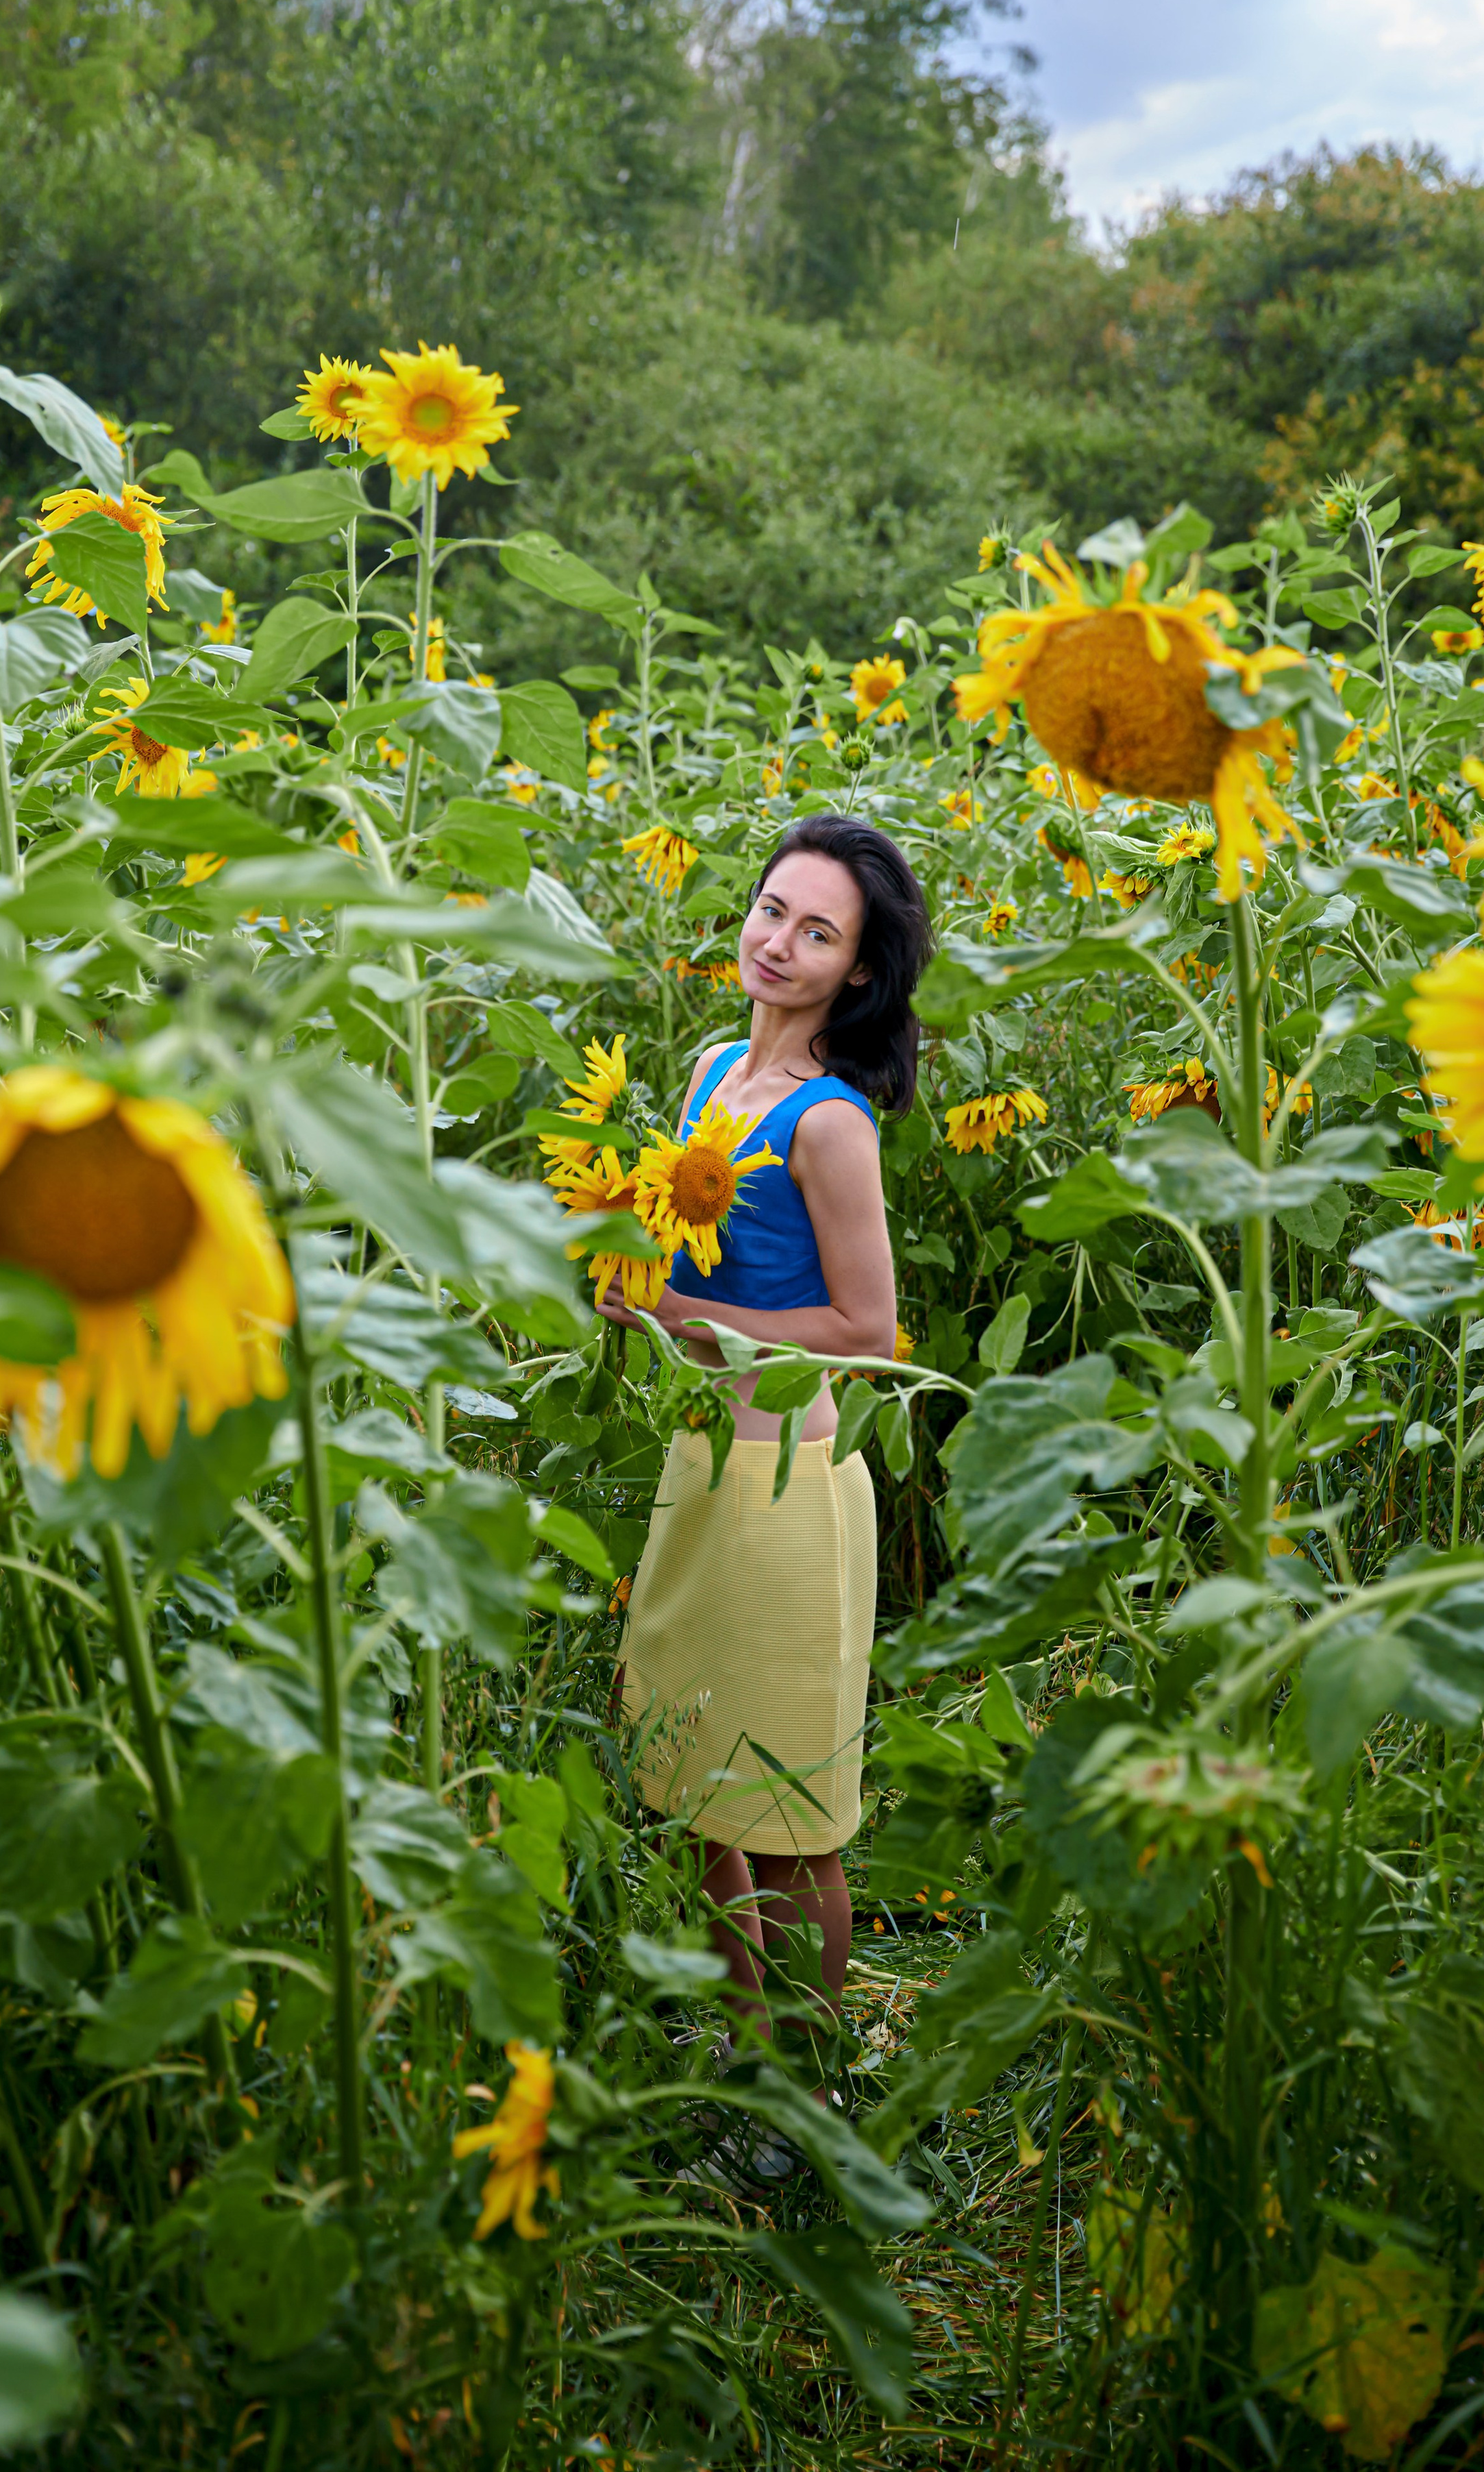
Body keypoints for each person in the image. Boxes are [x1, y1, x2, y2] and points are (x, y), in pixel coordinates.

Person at [599, 812, 933, 2078]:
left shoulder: (829, 1122)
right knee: (692, 1788)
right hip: (700, 1466)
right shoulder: (709, 1072)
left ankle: (815, 2076)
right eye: (769, 909)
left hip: (788, 1490)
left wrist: (683, 1316)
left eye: (817, 930)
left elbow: (869, 1329)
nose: (777, 942)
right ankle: (752, 2054)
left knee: (790, 1820)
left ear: (858, 968)